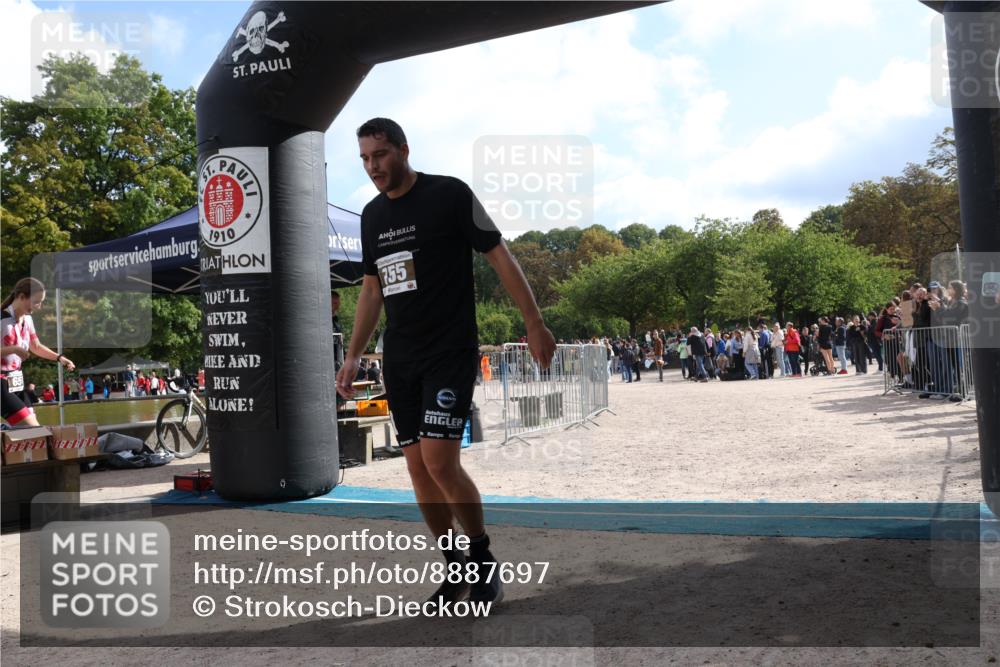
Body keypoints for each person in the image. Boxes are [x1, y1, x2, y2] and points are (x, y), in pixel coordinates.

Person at [336, 117, 556, 608]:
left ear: (403, 150)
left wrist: (534, 321)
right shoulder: (371, 217)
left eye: (380, 155)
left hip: (450, 351)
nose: (373, 166)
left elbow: (499, 255)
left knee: (439, 460)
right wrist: (352, 356)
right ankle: (455, 572)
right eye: (365, 159)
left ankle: (482, 563)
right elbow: (372, 289)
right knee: (417, 471)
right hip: (402, 358)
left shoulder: (450, 194)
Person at [1, 277, 75, 426]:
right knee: (32, 429)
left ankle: (5, 431)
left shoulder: (27, 320)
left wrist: (59, 358)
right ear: (21, 297)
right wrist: (14, 349)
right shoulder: (1, 319)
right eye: (36, 302)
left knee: (35, 430)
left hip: (16, 381)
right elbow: (19, 349)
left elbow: (36, 346)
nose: (39, 307)